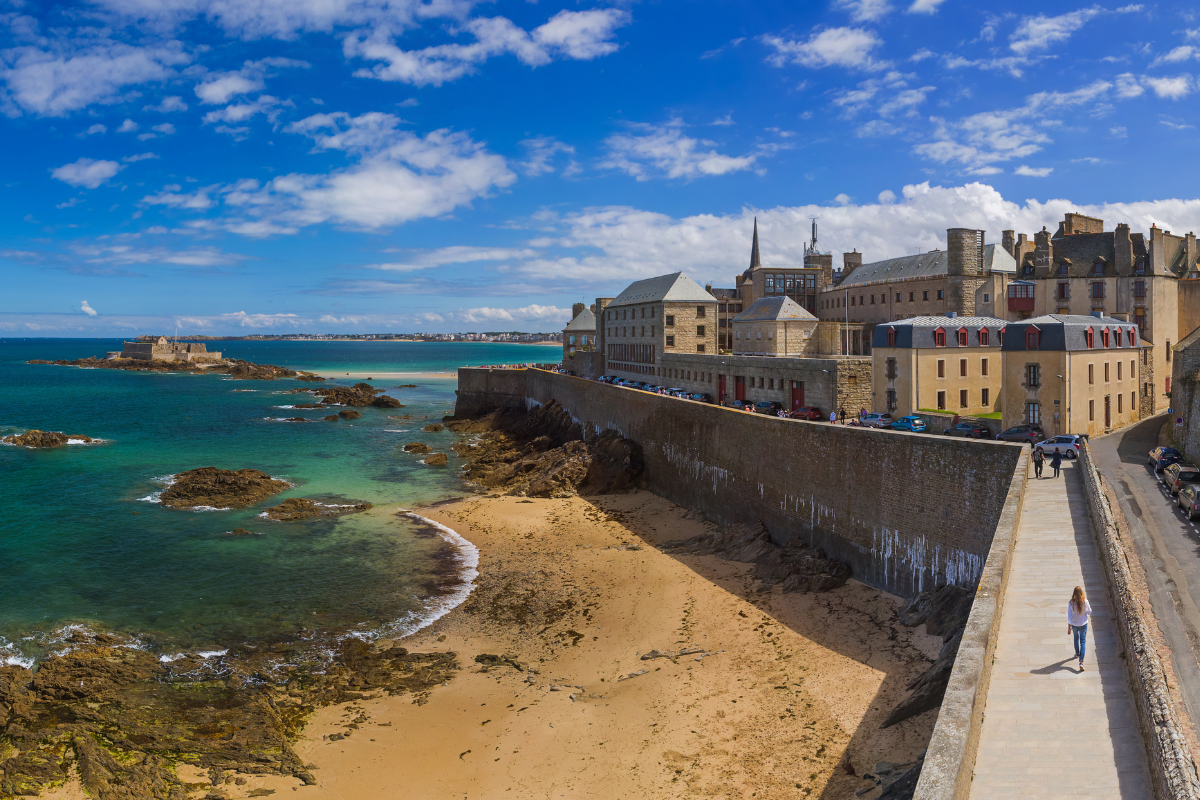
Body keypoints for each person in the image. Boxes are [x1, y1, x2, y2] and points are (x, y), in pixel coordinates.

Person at [1067, 586, 1092, 671]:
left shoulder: (1071, 602)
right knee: (1083, 642)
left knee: (1075, 638)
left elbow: (1069, 616)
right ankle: (1081, 661)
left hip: (1074, 625)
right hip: (1083, 625)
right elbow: (1090, 612)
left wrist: (1069, 627)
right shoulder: (1085, 601)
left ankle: (1077, 653)